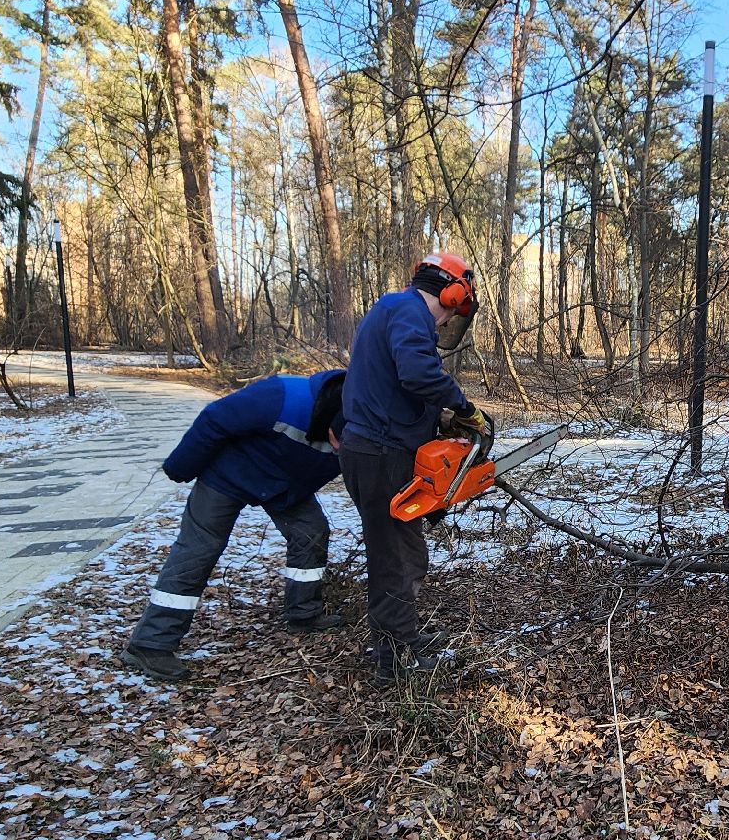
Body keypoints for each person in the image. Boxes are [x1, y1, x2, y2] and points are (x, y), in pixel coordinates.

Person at [121, 369, 349, 683]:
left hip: (286, 486)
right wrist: (181, 466)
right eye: (338, 441)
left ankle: (303, 613)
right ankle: (150, 643)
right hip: (229, 476)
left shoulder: (366, 422)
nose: (339, 450)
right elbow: (216, 417)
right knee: (199, 548)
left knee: (311, 531)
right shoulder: (282, 396)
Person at [339, 252, 488, 682]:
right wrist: (462, 405)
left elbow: (392, 386)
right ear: (452, 292)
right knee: (395, 560)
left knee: (406, 552)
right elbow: (419, 374)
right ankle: (394, 658)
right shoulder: (408, 311)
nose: (447, 323)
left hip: (378, 447)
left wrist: (438, 421)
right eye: (454, 311)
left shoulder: (391, 308)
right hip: (380, 455)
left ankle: (399, 636)